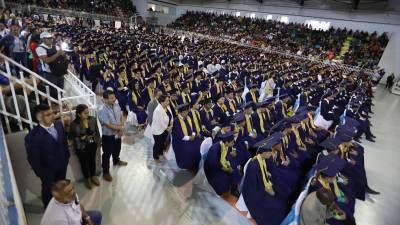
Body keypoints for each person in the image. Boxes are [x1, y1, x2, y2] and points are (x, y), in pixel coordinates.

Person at [25, 104, 70, 207]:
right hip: (47, 172)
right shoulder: (32, 137)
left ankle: (62, 204)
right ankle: (49, 208)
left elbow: (64, 144)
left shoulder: (58, 125)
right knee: (48, 191)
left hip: (62, 165)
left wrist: (66, 159)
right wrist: (43, 174)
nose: (53, 116)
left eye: (53, 113)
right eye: (48, 114)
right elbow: (33, 159)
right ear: (39, 117)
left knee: (62, 187)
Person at [97, 90, 128, 182]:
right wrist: (120, 129)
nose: (114, 99)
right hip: (108, 135)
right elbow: (108, 124)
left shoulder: (116, 105)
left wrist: (122, 126)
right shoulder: (102, 110)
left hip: (117, 133)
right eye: (111, 98)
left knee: (117, 148)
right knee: (107, 153)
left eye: (114, 97)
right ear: (105, 99)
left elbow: (121, 116)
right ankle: (106, 172)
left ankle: (116, 160)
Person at [69, 104, 101, 189]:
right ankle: (87, 178)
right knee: (84, 164)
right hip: (81, 148)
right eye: (85, 113)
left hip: (92, 145)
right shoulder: (74, 124)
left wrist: (98, 142)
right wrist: (84, 138)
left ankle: (93, 176)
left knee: (92, 161)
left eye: (88, 112)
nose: (87, 115)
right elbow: (73, 138)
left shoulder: (92, 119)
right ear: (79, 114)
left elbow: (97, 132)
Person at [36, 32, 68, 98]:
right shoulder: (40, 48)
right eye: (48, 38)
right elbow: (47, 60)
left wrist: (64, 55)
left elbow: (62, 58)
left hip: (59, 72)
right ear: (43, 39)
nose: (51, 39)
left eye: (51, 38)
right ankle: (56, 104)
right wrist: (58, 54)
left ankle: (60, 101)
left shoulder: (55, 46)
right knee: (53, 91)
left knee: (61, 89)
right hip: (49, 74)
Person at [151, 94, 173, 163]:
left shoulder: (167, 107)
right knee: (157, 144)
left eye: (168, 100)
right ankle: (155, 157)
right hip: (158, 131)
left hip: (165, 129)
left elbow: (170, 115)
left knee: (162, 142)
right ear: (162, 102)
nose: (168, 102)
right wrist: (167, 128)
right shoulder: (158, 110)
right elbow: (160, 123)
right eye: (167, 101)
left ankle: (160, 153)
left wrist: (171, 124)